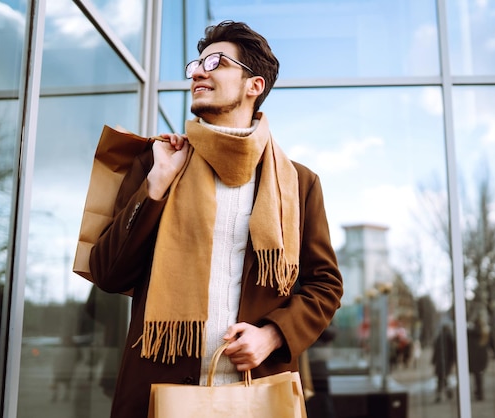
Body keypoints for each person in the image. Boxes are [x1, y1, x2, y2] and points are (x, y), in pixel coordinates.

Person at [89, 20, 343, 417]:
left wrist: (273, 335)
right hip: (160, 391)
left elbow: (324, 285)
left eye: (216, 62)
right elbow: (107, 274)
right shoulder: (157, 163)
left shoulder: (298, 184)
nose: (199, 72)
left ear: (253, 86)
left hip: (258, 392)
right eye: (197, 64)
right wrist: (155, 186)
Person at [431, 324, 455, 403]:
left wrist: (433, 360)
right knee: (444, 378)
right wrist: (453, 360)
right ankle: (446, 393)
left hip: (441, 361)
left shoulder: (439, 337)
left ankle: (442, 394)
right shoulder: (448, 337)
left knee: (441, 378)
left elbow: (436, 350)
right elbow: (452, 350)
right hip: (446, 361)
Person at [467, 322, 489, 401]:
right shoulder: (483, 336)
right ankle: (479, 393)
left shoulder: (469, 336)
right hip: (481, 360)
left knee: (475, 377)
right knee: (478, 377)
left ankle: (477, 392)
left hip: (472, 360)